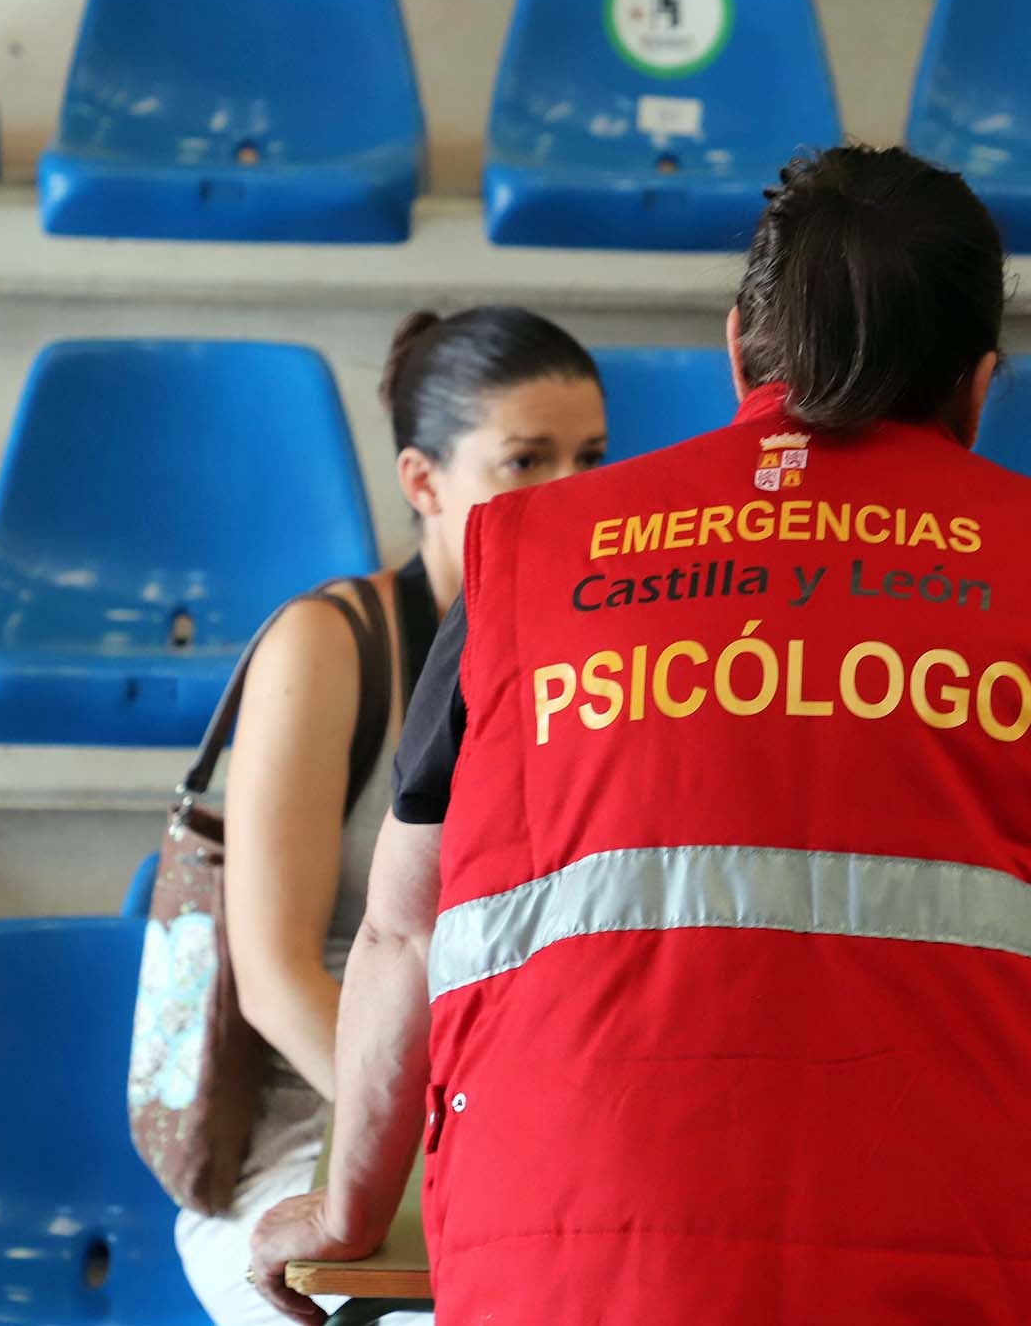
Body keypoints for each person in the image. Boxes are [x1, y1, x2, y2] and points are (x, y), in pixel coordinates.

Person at [247, 147, 1031, 1324]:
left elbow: (405, 934)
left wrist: (345, 1216)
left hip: (591, 1268)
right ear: (980, 387)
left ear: (739, 350)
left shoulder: (524, 561)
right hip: (1013, 1266)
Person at [175, 306, 608, 1326]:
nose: (571, 492)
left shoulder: (600, 649)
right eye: (525, 459)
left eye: (592, 456)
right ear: (423, 482)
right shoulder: (326, 644)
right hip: (315, 1127)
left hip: (509, 1121)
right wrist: (442, 1135)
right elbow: (280, 981)